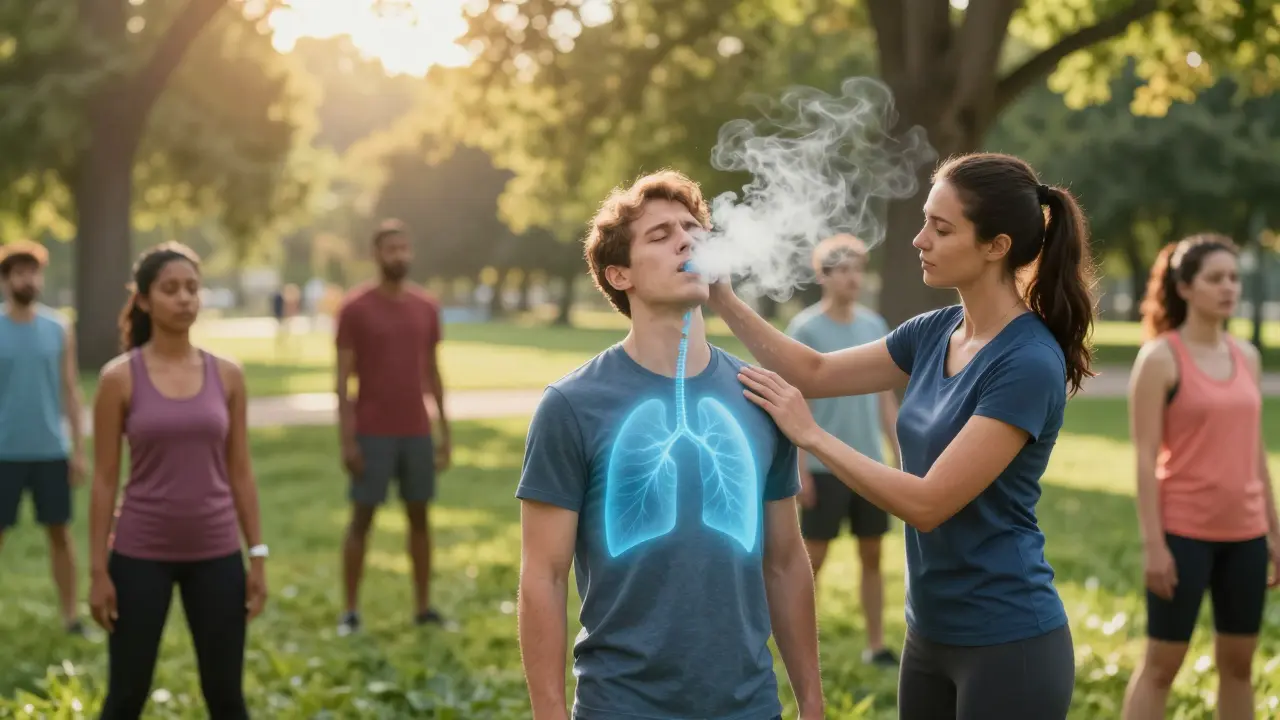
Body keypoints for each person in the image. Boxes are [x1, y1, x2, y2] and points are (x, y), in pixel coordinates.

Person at [707, 152, 1095, 719]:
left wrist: (812, 436)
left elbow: (928, 504)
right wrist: (723, 299)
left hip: (1008, 641)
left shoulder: (1028, 362)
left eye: (941, 228)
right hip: (929, 634)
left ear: (996, 246)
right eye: (923, 222)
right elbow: (815, 372)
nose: (920, 240)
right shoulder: (935, 332)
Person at [516, 170, 823, 720]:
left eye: (693, 229)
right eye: (660, 235)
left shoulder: (763, 396)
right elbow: (544, 575)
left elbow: (784, 562)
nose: (687, 241)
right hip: (620, 705)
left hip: (749, 706)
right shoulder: (571, 405)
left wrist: (813, 704)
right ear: (620, 275)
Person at [87, 242, 267, 719]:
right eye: (170, 289)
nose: (184, 298)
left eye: (192, 288)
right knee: (126, 696)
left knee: (227, 699)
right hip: (139, 554)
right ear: (144, 300)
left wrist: (258, 555)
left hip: (217, 553)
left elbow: (241, 471)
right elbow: (104, 480)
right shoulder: (118, 379)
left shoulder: (228, 375)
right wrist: (98, 571)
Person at [1121, 234, 1279, 720]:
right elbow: (1144, 458)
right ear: (1185, 287)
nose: (1228, 287)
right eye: (1215, 278)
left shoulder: (1247, 356)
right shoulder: (1160, 358)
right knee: (1161, 666)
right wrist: (1154, 546)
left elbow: (1255, 452)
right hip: (1184, 534)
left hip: (1246, 535)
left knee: (1239, 665)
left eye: (1233, 277)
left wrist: (1274, 532)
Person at [785, 233, 901, 668]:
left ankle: (876, 645)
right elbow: (795, 403)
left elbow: (885, 398)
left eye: (859, 269)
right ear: (824, 275)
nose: (854, 278)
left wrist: (897, 453)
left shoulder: (875, 326)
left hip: (869, 465)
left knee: (873, 554)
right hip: (822, 466)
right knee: (812, 559)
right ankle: (794, 646)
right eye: (844, 270)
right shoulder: (806, 330)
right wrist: (800, 469)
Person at [335, 219, 451, 633]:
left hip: (417, 431)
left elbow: (433, 372)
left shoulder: (426, 307)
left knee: (420, 518)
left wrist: (444, 433)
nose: (399, 255)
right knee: (361, 519)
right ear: (376, 255)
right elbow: (341, 381)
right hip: (371, 432)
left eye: (404, 248)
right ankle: (350, 611)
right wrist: (347, 440)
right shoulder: (355, 308)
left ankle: (423, 608)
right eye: (391, 249)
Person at [0, 240, 88, 634]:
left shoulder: (58, 328)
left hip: (51, 450)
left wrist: (79, 450)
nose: (28, 280)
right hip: (3, 451)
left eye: (33, 272)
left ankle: (71, 617)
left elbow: (71, 390)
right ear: (5, 281)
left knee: (61, 535)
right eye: (19, 273)